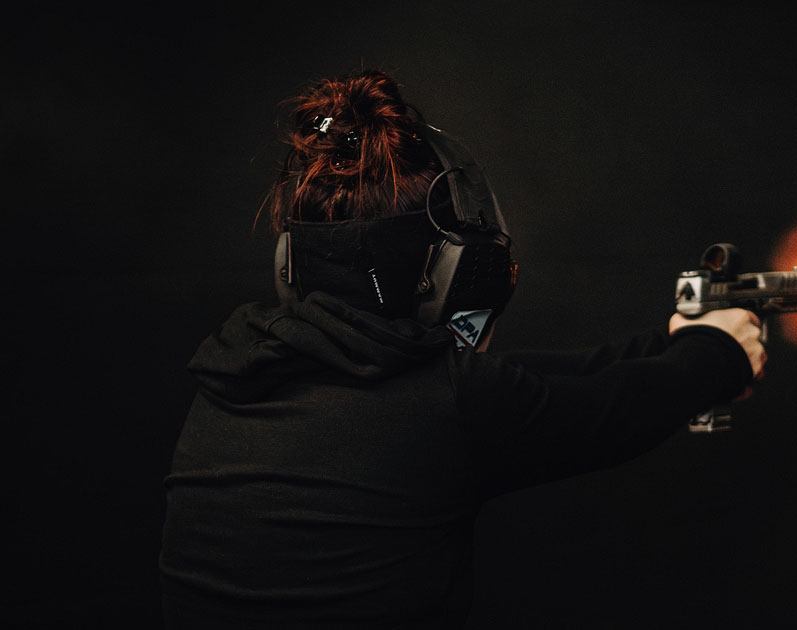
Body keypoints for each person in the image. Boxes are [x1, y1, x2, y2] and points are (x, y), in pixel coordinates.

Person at [158, 69, 765, 629]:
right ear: (454, 271)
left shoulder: (231, 373)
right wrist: (718, 353)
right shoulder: (448, 405)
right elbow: (613, 409)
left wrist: (676, 339)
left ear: (291, 267)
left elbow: (534, 384)